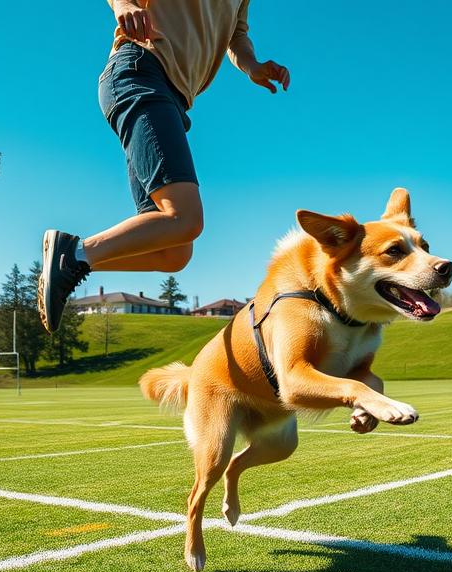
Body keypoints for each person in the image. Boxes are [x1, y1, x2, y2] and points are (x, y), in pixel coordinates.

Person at [39, 0, 290, 333]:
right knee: (185, 218)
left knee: (173, 254)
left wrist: (252, 65)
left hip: (171, 96)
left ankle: (75, 261)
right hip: (141, 70)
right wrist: (125, 5)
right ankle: (73, 253)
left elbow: (237, 34)